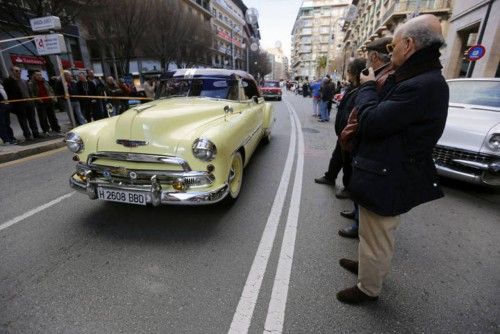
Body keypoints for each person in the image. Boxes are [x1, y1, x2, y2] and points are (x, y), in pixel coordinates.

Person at [336, 14, 449, 304]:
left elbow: (373, 120)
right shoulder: (417, 77)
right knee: (372, 232)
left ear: (408, 45)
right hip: (383, 168)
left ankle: (368, 288)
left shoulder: (422, 84)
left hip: (389, 172)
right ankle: (366, 268)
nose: (391, 52)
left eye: (393, 47)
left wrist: (368, 88)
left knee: (378, 235)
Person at [337, 36, 394, 239]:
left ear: (374, 56)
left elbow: (368, 113)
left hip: (367, 143)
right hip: (359, 143)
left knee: (363, 185)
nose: (367, 60)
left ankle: (359, 224)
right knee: (357, 183)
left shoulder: (382, 78)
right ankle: (356, 214)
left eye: (368, 56)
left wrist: (367, 86)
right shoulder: (375, 76)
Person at [3, 66, 41, 140]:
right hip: (19, 104)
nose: (19, 72)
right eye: (16, 71)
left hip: (29, 103)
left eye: (20, 71)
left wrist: (31, 100)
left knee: (32, 119)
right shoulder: (8, 81)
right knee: (23, 120)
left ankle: (36, 133)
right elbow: (8, 93)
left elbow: (29, 92)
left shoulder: (24, 81)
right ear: (12, 72)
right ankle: (27, 135)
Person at [30, 70, 61, 135]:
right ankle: (46, 130)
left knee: (52, 116)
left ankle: (56, 128)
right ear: (34, 76)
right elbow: (32, 94)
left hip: (49, 101)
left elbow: (50, 90)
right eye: (37, 75)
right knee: (43, 118)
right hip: (40, 103)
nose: (39, 76)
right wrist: (37, 99)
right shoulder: (32, 84)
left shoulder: (45, 82)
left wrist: (53, 96)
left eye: (40, 75)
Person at [0, 78, 17, 144]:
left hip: (5, 105)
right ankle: (6, 140)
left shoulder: (1, 83)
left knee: (7, 123)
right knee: (2, 124)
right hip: (1, 106)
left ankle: (11, 138)